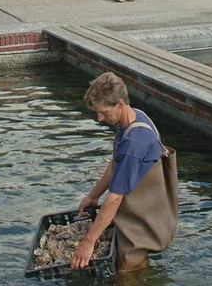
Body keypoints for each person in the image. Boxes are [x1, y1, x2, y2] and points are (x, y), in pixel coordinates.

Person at [70, 72, 178, 274]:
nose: (100, 119)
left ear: (120, 103)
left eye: (103, 112)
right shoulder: (133, 118)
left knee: (127, 273)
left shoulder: (134, 145)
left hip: (141, 224)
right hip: (138, 211)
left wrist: (88, 242)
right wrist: (93, 196)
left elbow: (115, 198)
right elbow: (115, 164)